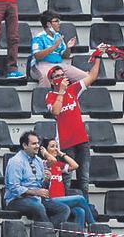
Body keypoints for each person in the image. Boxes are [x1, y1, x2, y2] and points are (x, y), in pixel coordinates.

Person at [45, 44, 106, 199]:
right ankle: (66, 209)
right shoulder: (50, 96)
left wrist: (98, 56)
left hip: (81, 140)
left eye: (61, 74)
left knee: (84, 179)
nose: (61, 77)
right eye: (57, 76)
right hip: (65, 143)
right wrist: (61, 91)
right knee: (66, 179)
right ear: (52, 80)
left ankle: (85, 213)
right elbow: (56, 112)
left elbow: (92, 77)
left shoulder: (73, 90)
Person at [4, 131, 70, 228]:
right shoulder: (16, 161)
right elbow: (14, 188)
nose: (38, 146)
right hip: (16, 200)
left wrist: (46, 180)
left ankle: (46, 232)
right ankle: (47, 233)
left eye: (38, 143)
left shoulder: (38, 161)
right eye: (34, 143)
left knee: (64, 209)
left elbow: (41, 185)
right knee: (38, 207)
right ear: (25, 145)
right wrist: (36, 192)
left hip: (36, 198)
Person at [40, 138, 96, 227]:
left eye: (57, 146)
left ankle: (78, 234)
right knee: (80, 198)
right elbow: (51, 161)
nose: (56, 149)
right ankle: (94, 226)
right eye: (52, 146)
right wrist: (46, 154)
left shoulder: (58, 165)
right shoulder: (42, 164)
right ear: (45, 150)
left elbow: (75, 165)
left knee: (80, 211)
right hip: (50, 200)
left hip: (61, 199)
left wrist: (62, 154)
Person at [30, 11, 84, 86]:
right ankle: (44, 97)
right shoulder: (38, 37)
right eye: (56, 21)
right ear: (49, 24)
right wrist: (54, 47)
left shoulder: (58, 36)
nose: (59, 24)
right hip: (41, 65)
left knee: (85, 77)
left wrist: (68, 48)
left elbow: (65, 56)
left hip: (59, 65)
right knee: (46, 77)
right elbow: (37, 56)